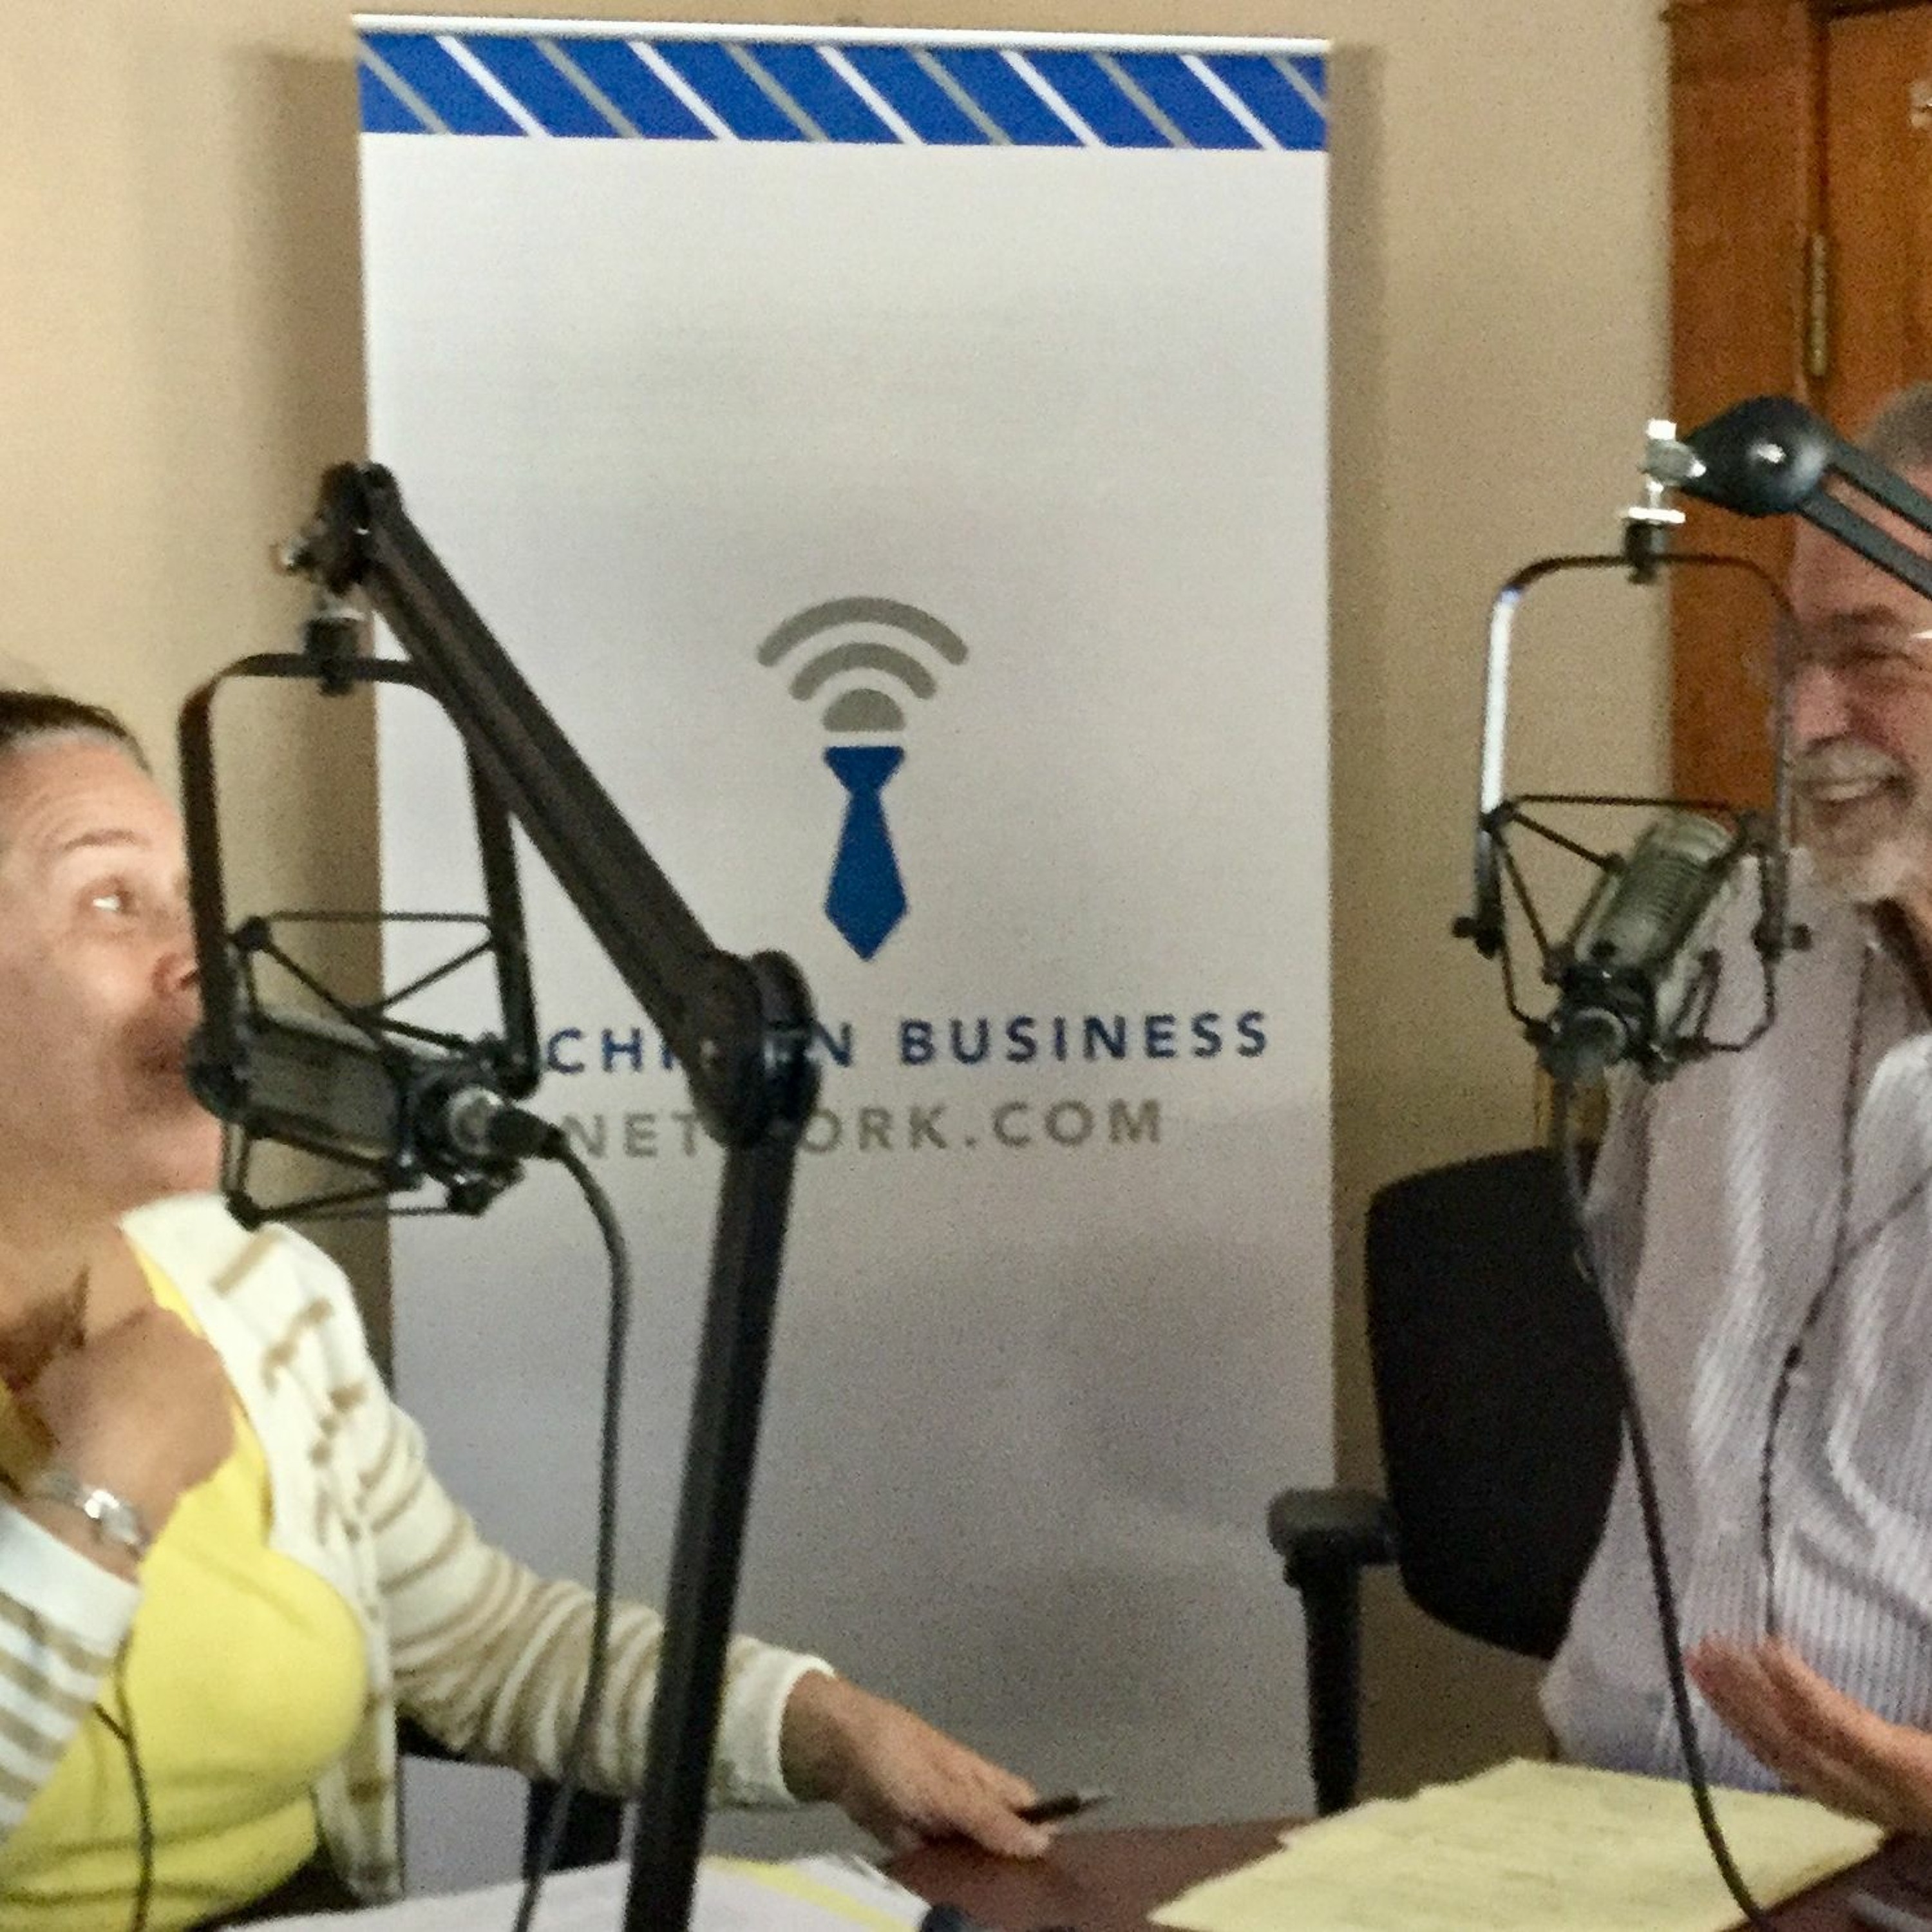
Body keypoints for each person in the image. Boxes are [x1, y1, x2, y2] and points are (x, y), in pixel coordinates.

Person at [0, 688, 1051, 1927]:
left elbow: (475, 1643)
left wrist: (815, 1725)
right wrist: (102, 1498)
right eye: (111, 901)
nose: (202, 963)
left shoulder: (258, 1291)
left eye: (193, 901)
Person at [1542, 382, 1932, 1832]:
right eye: (1793, 656)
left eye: (1871, 656)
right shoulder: (1728, 952)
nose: (1807, 720)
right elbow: (1637, 1278)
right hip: (1603, 1812)